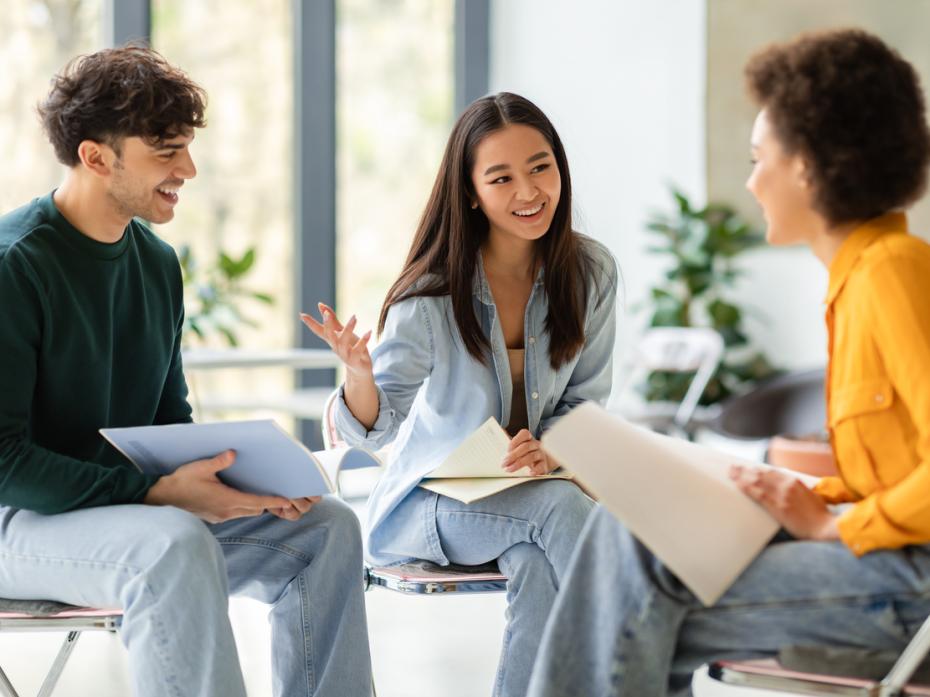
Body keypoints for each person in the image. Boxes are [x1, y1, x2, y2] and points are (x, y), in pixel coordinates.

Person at [526, 28, 930, 697]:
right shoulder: (860, 281)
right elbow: (897, 470)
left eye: (758, 157)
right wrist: (791, 497)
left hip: (905, 583)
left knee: (626, 600)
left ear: (805, 167)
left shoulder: (891, 273)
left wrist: (836, 522)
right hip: (885, 563)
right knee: (624, 534)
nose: (750, 180)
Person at [0, 45, 371, 697]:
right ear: (95, 157)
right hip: (18, 521)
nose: (188, 168)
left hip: (127, 514)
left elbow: (169, 425)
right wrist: (155, 493)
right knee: (173, 543)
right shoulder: (15, 265)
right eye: (166, 151)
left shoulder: (156, 264)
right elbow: (5, 463)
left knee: (326, 528)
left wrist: (243, 484)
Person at [302, 92, 618, 697]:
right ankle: (642, 663)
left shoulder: (591, 274)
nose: (529, 192)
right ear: (471, 191)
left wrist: (552, 452)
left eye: (541, 167)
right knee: (561, 511)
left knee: (538, 563)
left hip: (536, 499)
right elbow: (377, 428)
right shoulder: (431, 293)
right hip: (432, 505)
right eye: (502, 178)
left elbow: (587, 401)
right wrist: (360, 376)